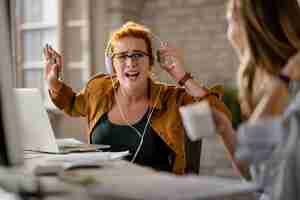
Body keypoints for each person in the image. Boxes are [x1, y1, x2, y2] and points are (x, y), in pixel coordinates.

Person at [44, 21, 235, 175]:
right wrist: (53, 80)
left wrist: (182, 77)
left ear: (151, 62)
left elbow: (221, 115)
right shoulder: (98, 90)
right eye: (122, 56)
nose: (130, 63)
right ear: (112, 64)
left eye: (138, 55)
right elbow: (71, 104)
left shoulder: (171, 98)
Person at [218, 0, 300, 198]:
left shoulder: (292, 98)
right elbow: (257, 171)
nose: (228, 35)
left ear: (254, 28)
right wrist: (223, 127)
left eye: (230, 21)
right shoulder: (275, 88)